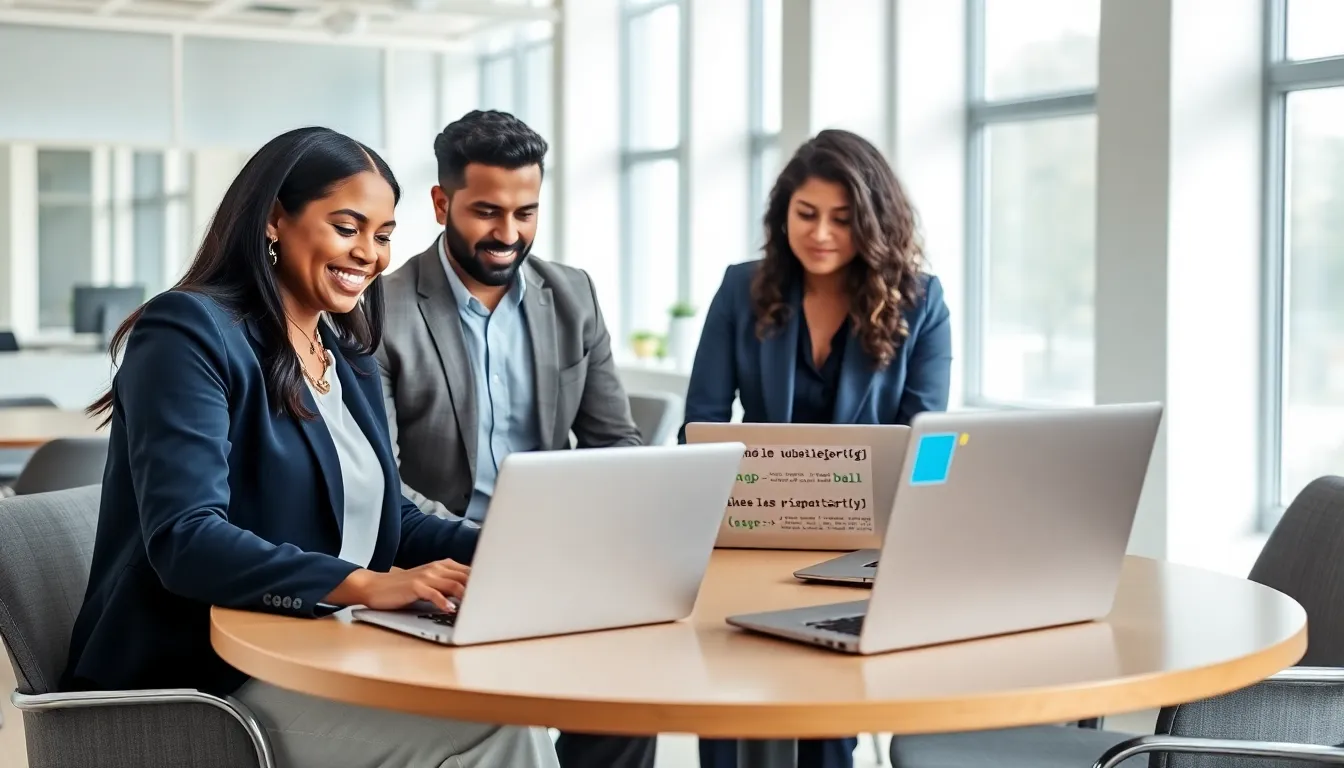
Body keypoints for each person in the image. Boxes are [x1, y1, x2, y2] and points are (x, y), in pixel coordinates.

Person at [62, 126, 559, 768]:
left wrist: (517, 547)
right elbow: (186, 538)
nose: (370, 254)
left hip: (328, 651)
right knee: (500, 731)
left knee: (509, 705)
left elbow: (390, 521)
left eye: (382, 235)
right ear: (275, 219)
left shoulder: (345, 354)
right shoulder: (188, 332)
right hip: (210, 682)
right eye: (347, 226)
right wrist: (362, 584)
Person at [375, 110, 653, 767]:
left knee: (627, 698)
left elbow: (616, 442)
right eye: (487, 212)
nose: (508, 234)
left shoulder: (573, 294)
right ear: (443, 203)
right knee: (497, 725)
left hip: (560, 561)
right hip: (442, 567)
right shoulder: (382, 308)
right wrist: (491, 549)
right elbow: (383, 483)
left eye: (525, 212)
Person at [683, 129, 953, 768]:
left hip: (866, 548)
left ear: (873, 221)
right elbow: (699, 426)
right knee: (723, 704)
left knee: (829, 726)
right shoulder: (740, 289)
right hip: (748, 536)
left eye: (843, 218)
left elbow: (928, 445)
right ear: (783, 216)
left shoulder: (922, 301)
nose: (822, 234)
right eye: (806, 215)